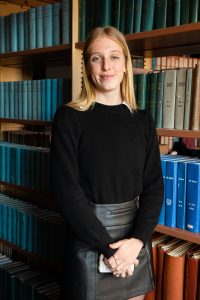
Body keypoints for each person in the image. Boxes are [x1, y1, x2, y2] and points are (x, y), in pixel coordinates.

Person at [50, 26, 164, 300]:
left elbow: (154, 187)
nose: (106, 66)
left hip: (134, 241)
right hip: (89, 237)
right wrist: (110, 250)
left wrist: (136, 242)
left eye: (114, 57)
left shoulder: (142, 120)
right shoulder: (69, 117)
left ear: (126, 63)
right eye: (96, 58)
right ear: (88, 66)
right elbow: (66, 193)